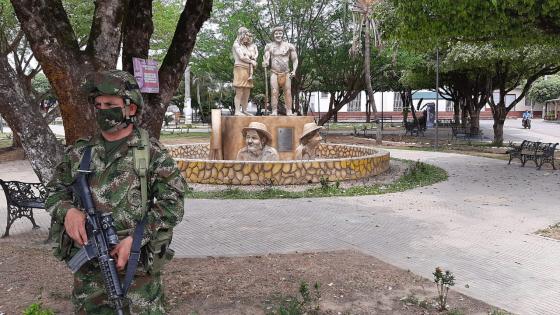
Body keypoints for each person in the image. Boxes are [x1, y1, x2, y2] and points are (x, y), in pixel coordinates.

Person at [45, 70, 186, 314]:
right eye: (98, 105)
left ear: (130, 109)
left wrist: (135, 239)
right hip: (89, 275)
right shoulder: (80, 153)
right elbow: (54, 192)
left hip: (137, 270)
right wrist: (68, 212)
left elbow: (173, 203)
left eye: (110, 104)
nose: (102, 110)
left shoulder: (150, 153)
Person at [262, 26, 298, 116]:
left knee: (288, 92)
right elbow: (267, 57)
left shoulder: (289, 46)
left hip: (286, 73)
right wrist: (266, 62)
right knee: (274, 91)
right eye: (276, 33)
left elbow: (295, 59)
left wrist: (294, 70)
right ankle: (274, 111)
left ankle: (289, 111)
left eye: (280, 33)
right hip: (274, 72)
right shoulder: (269, 46)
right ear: (273, 35)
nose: (278, 35)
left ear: (283, 34)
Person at [233, 27, 258, 116]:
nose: (247, 37)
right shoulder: (236, 44)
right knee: (239, 90)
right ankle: (237, 111)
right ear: (242, 35)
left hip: (248, 70)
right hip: (240, 68)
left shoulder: (246, 46)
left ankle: (244, 110)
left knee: (247, 92)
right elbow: (241, 57)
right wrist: (252, 61)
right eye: (246, 35)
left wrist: (253, 59)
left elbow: (252, 55)